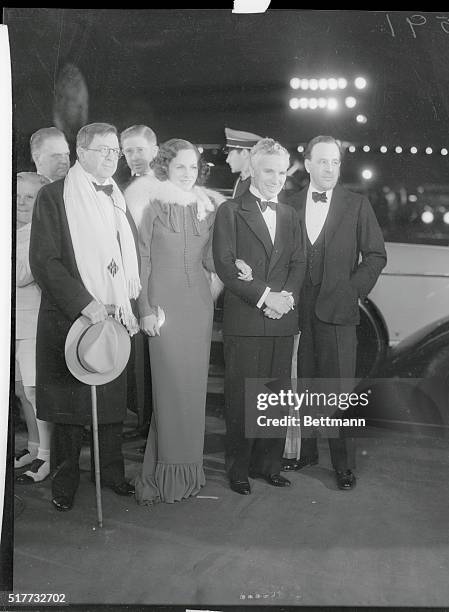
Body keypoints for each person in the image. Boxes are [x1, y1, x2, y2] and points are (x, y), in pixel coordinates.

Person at [29, 122, 141, 512]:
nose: (112, 157)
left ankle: (112, 474)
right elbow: (45, 261)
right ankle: (65, 481)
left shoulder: (117, 197)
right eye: (104, 150)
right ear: (82, 153)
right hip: (69, 318)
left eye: (116, 151)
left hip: (113, 317)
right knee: (69, 409)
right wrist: (84, 302)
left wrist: (128, 305)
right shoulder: (53, 197)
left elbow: (130, 259)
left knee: (109, 401)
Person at [284, 135, 387, 490]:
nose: (330, 168)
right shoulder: (290, 203)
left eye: (335, 162)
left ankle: (343, 465)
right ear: (308, 164)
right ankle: (307, 452)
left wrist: (352, 291)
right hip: (298, 312)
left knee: (338, 392)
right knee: (304, 386)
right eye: (323, 161)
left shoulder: (356, 204)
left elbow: (376, 255)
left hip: (339, 313)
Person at [213, 138, 306, 495]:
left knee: (277, 398)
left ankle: (269, 465)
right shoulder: (231, 211)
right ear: (252, 169)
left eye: (282, 172)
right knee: (243, 398)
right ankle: (238, 469)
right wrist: (266, 296)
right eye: (269, 171)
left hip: (283, 317)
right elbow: (225, 264)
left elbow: (299, 262)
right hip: (247, 320)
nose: (276, 179)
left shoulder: (289, 215)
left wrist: (286, 299)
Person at [134, 138, 224, 504]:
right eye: (180, 167)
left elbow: (213, 262)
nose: (188, 174)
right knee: (170, 393)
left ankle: (185, 472)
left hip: (198, 308)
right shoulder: (150, 204)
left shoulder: (207, 207)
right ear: (165, 168)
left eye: (193, 167)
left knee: (191, 392)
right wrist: (145, 309)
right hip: (163, 309)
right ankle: (166, 476)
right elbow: (142, 261)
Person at [120, 125, 158, 445]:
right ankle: (144, 420)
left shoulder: (161, 188)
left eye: (139, 149)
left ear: (154, 151)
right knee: (139, 359)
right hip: (130, 281)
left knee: (155, 357)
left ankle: (154, 426)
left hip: (154, 282)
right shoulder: (122, 186)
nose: (134, 156)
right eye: (128, 150)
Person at [14, 172, 53, 484]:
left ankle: (46, 457)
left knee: (33, 390)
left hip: (31, 321)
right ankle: (33, 446)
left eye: (29, 197)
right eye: (18, 195)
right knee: (19, 390)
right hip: (12, 324)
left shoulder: (37, 232)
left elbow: (21, 276)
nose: (21, 202)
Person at [224, 127, 262, 198]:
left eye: (231, 154)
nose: (227, 160)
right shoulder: (241, 180)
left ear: (244, 153)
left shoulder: (258, 183)